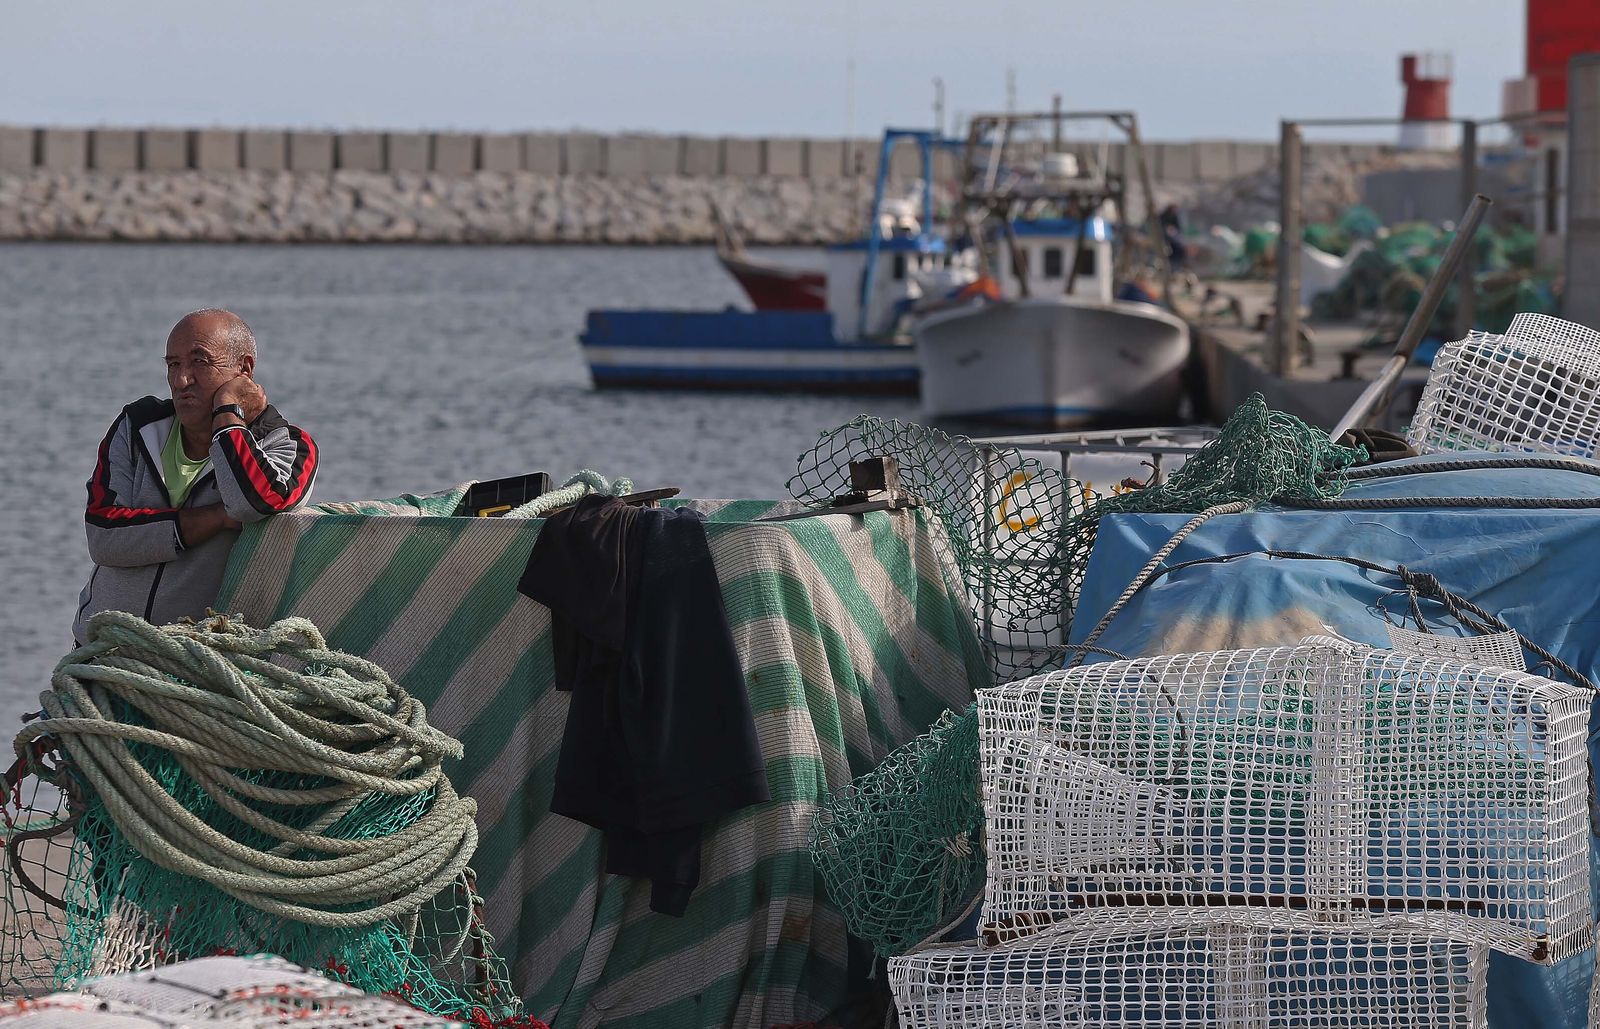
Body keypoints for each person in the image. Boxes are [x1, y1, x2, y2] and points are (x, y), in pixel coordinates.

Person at [73, 309, 318, 642]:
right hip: (102, 653)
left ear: (243, 370)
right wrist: (215, 518)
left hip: (202, 665)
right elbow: (103, 536)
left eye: (199, 362)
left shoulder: (290, 445)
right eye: (173, 364)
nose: (181, 380)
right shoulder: (137, 426)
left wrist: (228, 414)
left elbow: (254, 503)